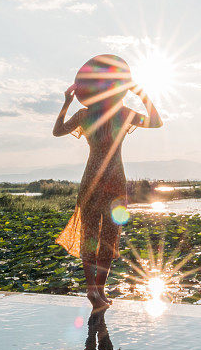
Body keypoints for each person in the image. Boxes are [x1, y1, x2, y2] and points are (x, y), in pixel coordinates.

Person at [53, 54, 163, 309]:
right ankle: (100, 291)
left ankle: (93, 290)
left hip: (91, 179)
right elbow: (156, 122)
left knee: (90, 236)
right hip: (115, 179)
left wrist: (66, 103)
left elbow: (57, 131)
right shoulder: (123, 113)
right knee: (110, 238)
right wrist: (141, 93)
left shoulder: (84, 115)